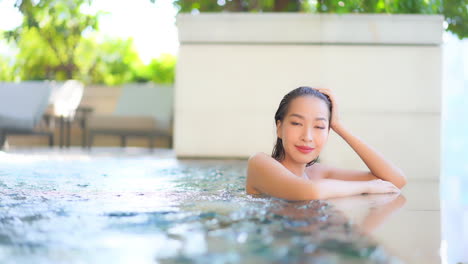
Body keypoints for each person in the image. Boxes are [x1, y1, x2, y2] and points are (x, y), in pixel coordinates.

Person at [246, 87, 406, 201]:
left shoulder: (318, 173)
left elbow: (395, 181)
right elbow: (310, 190)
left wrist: (338, 126)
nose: (307, 137)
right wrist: (367, 187)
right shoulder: (260, 163)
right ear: (279, 128)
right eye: (296, 123)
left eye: (319, 126)